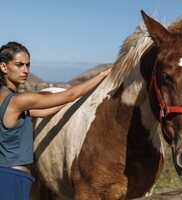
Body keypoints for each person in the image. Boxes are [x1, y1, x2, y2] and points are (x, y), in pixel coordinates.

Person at [0, 41, 111, 200]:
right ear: (3, 67)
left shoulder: (7, 101)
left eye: (27, 65)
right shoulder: (18, 101)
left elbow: (45, 111)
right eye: (19, 65)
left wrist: (74, 101)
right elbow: (69, 95)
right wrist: (102, 75)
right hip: (13, 179)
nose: (25, 70)